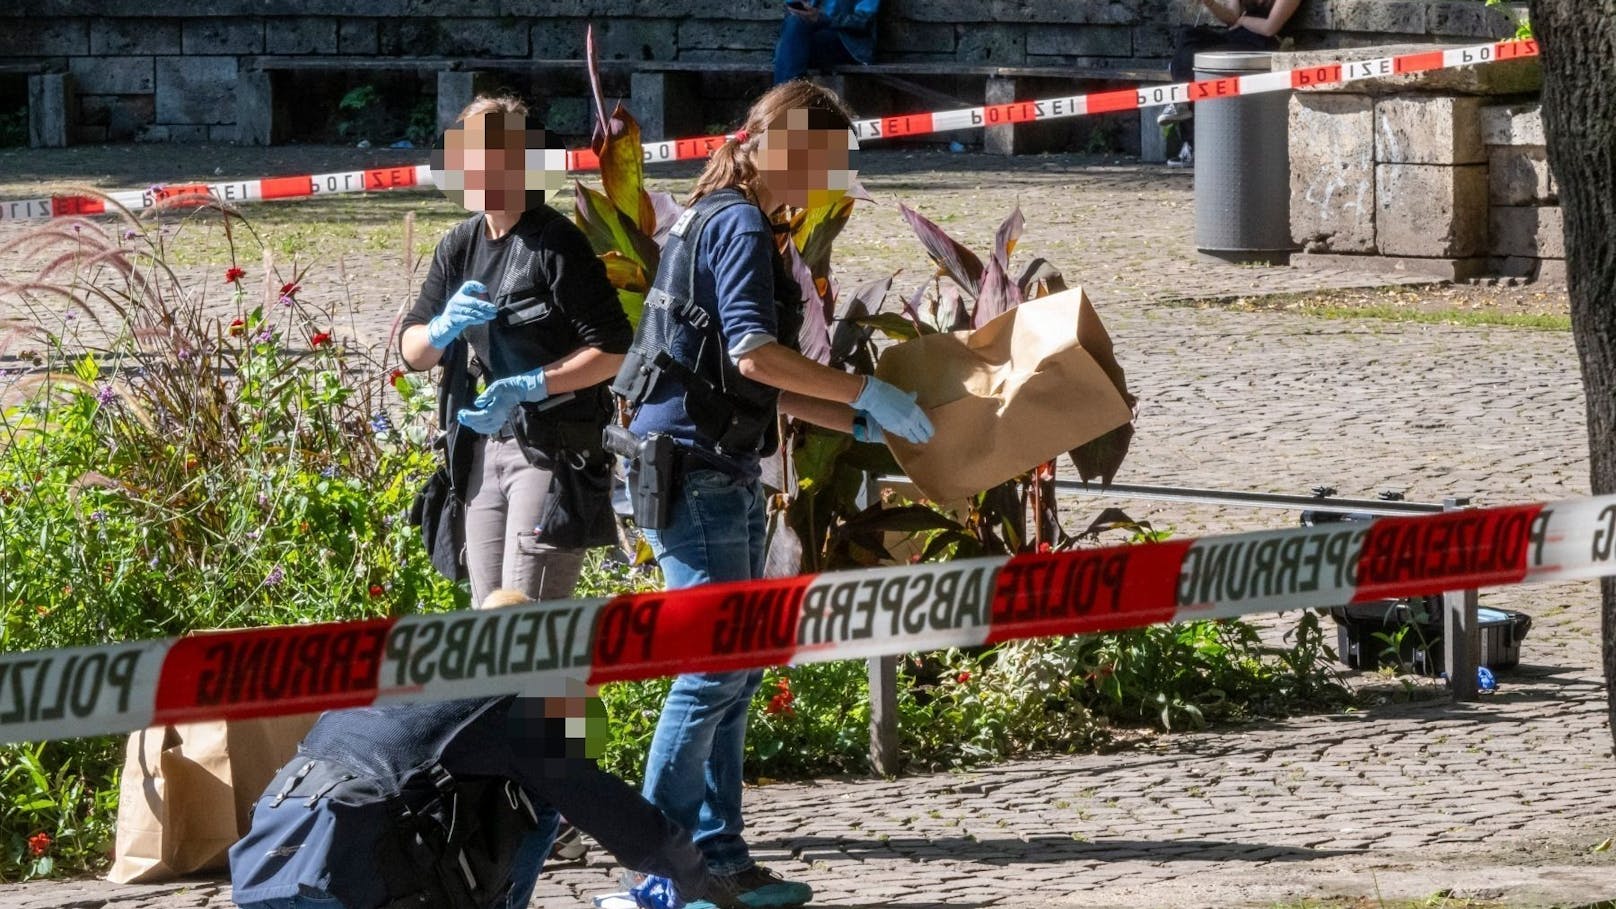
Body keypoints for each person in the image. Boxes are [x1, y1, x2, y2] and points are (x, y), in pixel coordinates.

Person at [608, 80, 933, 909]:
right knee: (713, 669)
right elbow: (755, 354)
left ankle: (718, 854)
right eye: (819, 162)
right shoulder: (741, 223)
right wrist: (864, 392)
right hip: (697, 471)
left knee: (737, 667)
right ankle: (664, 870)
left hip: (718, 464)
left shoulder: (728, 216)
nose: (822, 181)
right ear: (776, 145)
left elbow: (749, 381)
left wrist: (850, 418)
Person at [229, 591, 744, 909]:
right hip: (364, 873)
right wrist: (698, 878)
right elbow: (611, 811)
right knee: (545, 793)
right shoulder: (528, 698)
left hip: (270, 862)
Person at [401, 94, 629, 606]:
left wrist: (529, 385)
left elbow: (614, 349)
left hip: (550, 449)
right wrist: (440, 328)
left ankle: (550, 689)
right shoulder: (459, 245)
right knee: (490, 620)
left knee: (526, 621)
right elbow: (413, 350)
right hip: (483, 447)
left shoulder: (555, 243)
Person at [1156, 0, 1303, 165]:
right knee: (1188, 35)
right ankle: (1181, 102)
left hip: (1261, 44)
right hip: (1236, 37)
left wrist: (1242, 21)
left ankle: (1191, 141)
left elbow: (1269, 28)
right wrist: (1210, 3)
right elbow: (1231, 17)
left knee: (1195, 66)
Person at [772, 0, 882, 85]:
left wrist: (822, 18)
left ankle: (787, 110)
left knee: (790, 55)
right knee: (794, 27)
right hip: (809, 40)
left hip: (848, 44)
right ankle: (791, 110)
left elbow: (863, 21)